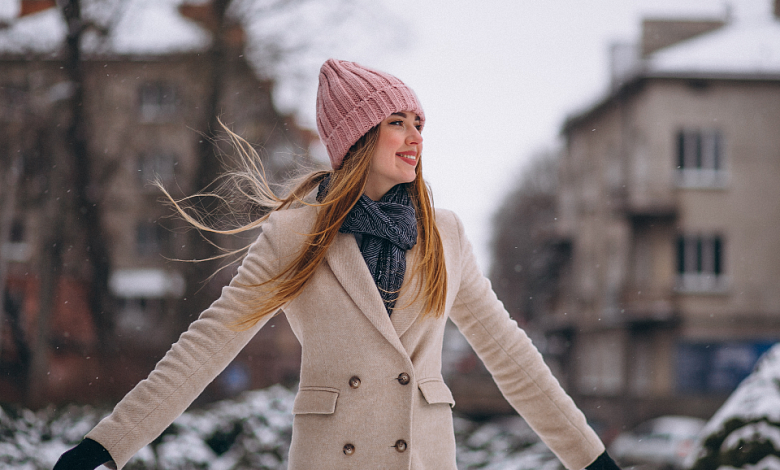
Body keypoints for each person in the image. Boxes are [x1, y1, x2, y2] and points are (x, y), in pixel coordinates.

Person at [53, 58, 620, 470]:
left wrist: (590, 458)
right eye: (397, 122)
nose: (415, 137)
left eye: (418, 123)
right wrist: (107, 446)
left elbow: (510, 354)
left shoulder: (444, 234)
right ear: (358, 137)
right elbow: (209, 344)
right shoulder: (297, 235)